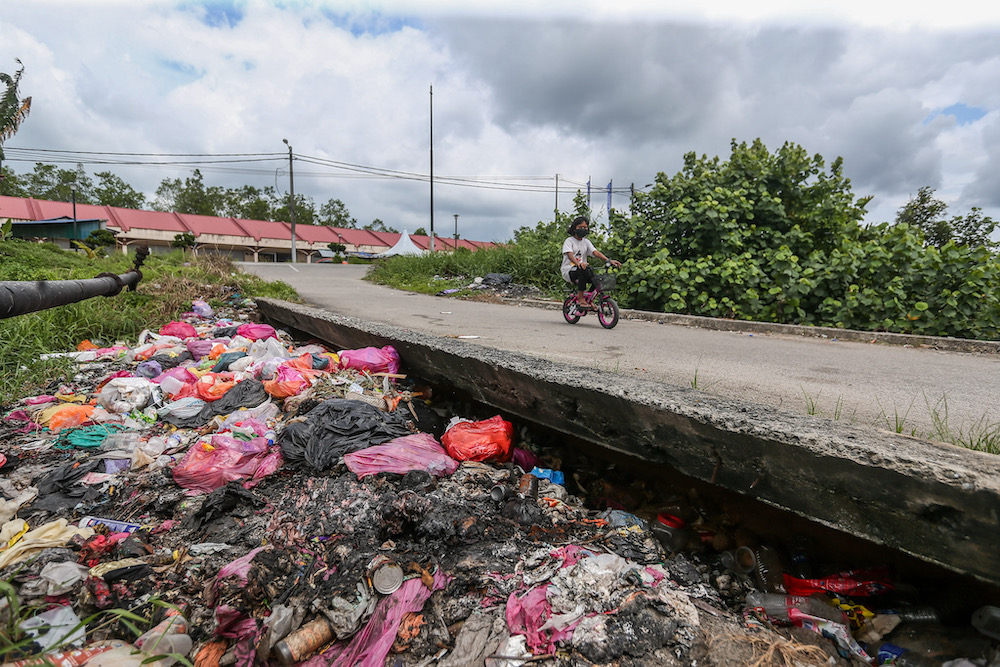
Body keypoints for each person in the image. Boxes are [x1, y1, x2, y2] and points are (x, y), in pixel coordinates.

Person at [561, 216, 621, 308]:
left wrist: (608, 260)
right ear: (574, 228)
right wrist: (578, 263)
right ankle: (581, 297)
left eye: (585, 227)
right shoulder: (569, 241)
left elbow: (595, 252)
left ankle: (588, 299)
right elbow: (570, 255)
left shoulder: (586, 242)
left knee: (598, 279)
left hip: (583, 269)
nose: (583, 229)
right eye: (580, 227)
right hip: (569, 270)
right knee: (583, 270)